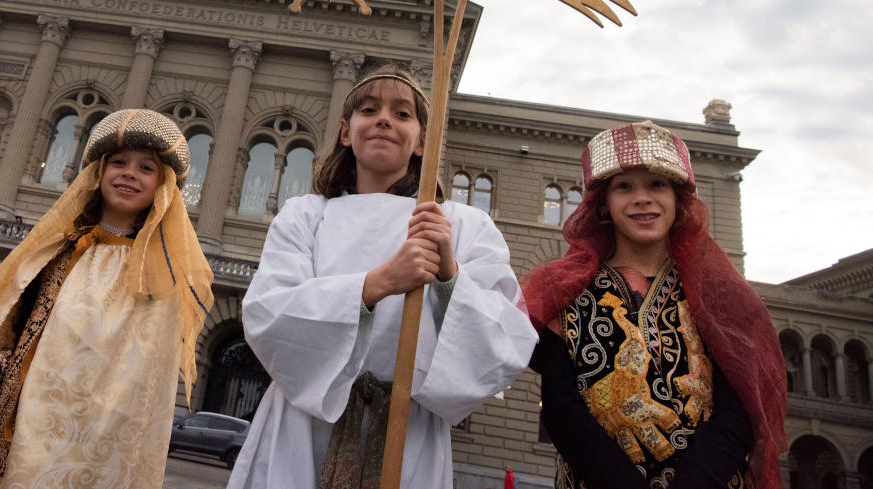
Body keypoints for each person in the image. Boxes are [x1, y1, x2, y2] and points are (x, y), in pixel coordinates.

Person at [227, 67, 537, 489]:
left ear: (423, 140)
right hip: (304, 426)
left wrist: (449, 276)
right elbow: (267, 314)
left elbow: (509, 342)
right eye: (369, 109)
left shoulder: (464, 227)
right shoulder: (305, 215)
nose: (383, 119)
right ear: (345, 132)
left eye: (402, 113)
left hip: (407, 432)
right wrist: (377, 283)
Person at [0, 108, 214, 489]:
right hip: (23, 417)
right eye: (119, 162)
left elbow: (148, 381)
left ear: (162, 185)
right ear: (99, 172)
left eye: (146, 168)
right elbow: (17, 326)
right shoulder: (59, 249)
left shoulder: (160, 277)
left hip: (98, 438)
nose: (129, 173)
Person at [522, 121, 786, 489]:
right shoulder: (563, 291)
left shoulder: (718, 295)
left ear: (679, 201)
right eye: (624, 187)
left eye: (657, 184)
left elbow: (739, 408)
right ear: (603, 206)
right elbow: (562, 410)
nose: (642, 197)